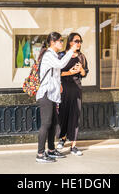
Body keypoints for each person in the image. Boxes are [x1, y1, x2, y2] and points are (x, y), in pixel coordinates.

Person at [36, 31, 78, 163]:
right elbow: (60, 65)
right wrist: (71, 50)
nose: (61, 42)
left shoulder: (53, 55)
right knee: (46, 124)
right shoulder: (49, 55)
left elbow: (55, 73)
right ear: (53, 42)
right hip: (46, 94)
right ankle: (40, 154)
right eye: (60, 40)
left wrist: (59, 84)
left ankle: (51, 150)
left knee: (53, 124)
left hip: (52, 94)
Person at [57, 32, 89, 156]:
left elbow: (85, 73)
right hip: (63, 89)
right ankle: (62, 138)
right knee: (63, 114)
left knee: (75, 115)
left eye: (80, 41)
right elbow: (56, 73)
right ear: (70, 42)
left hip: (76, 89)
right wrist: (69, 72)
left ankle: (74, 145)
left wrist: (80, 70)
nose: (79, 43)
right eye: (76, 41)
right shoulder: (61, 55)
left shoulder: (82, 56)